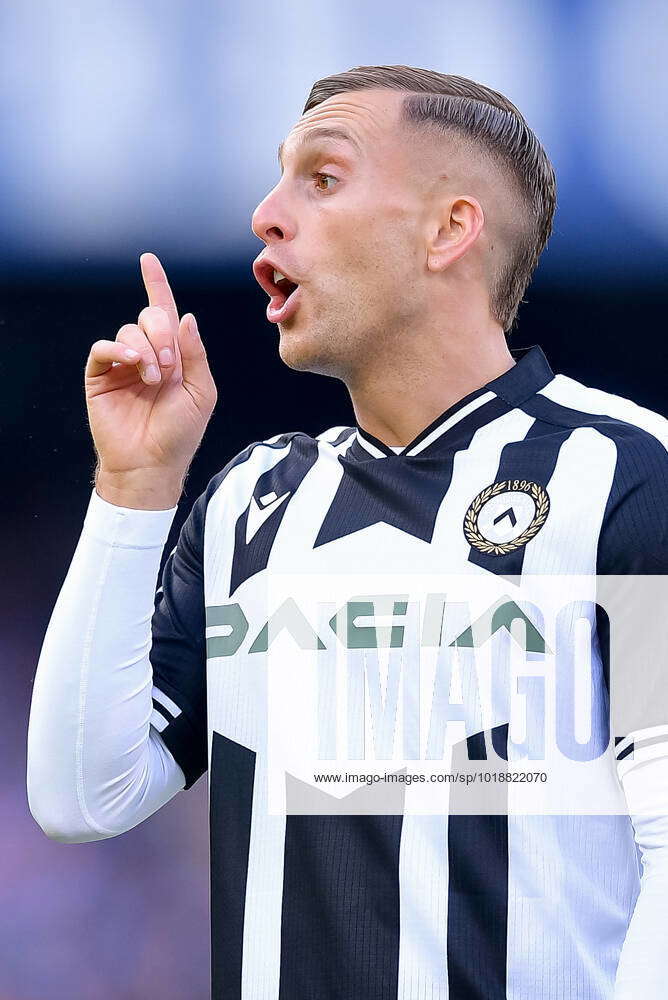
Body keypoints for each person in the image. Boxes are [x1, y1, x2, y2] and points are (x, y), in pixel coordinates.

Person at [27, 65, 668, 1000]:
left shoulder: (626, 471)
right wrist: (134, 485)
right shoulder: (252, 503)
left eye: (321, 179)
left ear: (449, 229)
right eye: (278, 178)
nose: (266, 214)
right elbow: (85, 796)